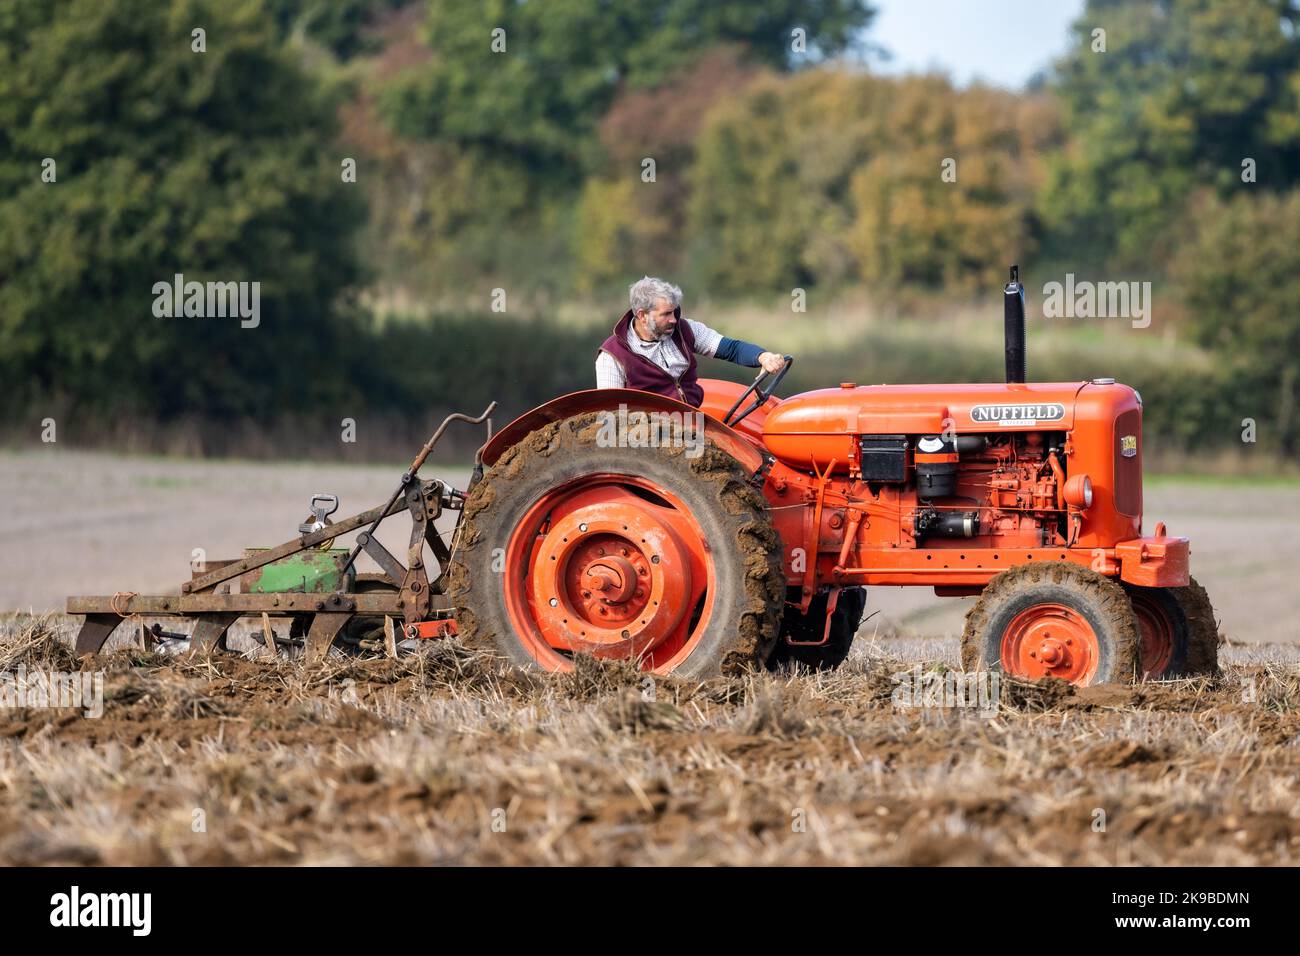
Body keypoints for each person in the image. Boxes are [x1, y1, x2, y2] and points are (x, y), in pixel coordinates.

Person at [595, 276, 786, 407]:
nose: (674, 319)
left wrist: (763, 356)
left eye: (674, 312)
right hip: (646, 437)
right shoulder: (612, 356)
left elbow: (731, 349)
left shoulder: (686, 330)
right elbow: (610, 414)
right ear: (642, 315)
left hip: (692, 424)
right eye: (666, 314)